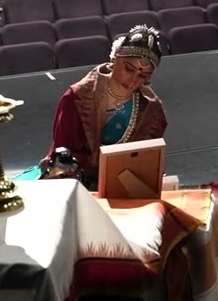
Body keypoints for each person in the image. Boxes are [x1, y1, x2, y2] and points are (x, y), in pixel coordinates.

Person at [39, 25, 167, 189]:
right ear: (114, 59)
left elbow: (148, 157)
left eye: (143, 75)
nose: (133, 79)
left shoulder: (152, 110)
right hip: (76, 181)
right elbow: (65, 151)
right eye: (129, 68)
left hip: (126, 183)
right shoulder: (77, 98)